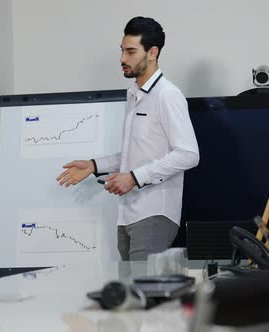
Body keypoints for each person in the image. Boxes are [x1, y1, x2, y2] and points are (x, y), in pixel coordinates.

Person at [56, 17, 199, 261]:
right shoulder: (133, 94)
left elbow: (188, 154)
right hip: (127, 215)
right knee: (131, 294)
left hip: (154, 214)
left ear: (152, 53)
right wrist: (94, 165)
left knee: (145, 293)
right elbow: (136, 153)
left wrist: (134, 178)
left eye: (131, 51)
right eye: (122, 50)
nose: (122, 58)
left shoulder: (167, 95)